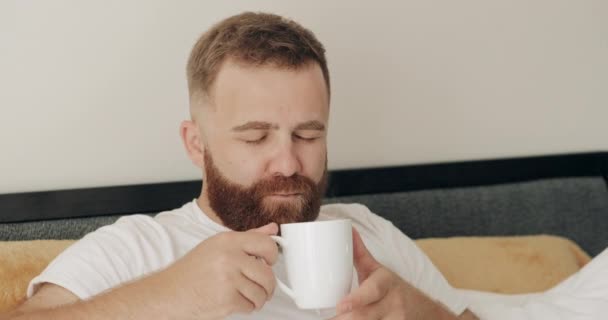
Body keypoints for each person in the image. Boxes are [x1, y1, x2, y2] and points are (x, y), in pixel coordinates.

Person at [3, 11, 482, 320]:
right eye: (255, 136)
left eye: (308, 134)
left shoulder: (367, 234)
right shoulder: (139, 247)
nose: (289, 162)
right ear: (197, 144)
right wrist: (171, 295)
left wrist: (423, 314)